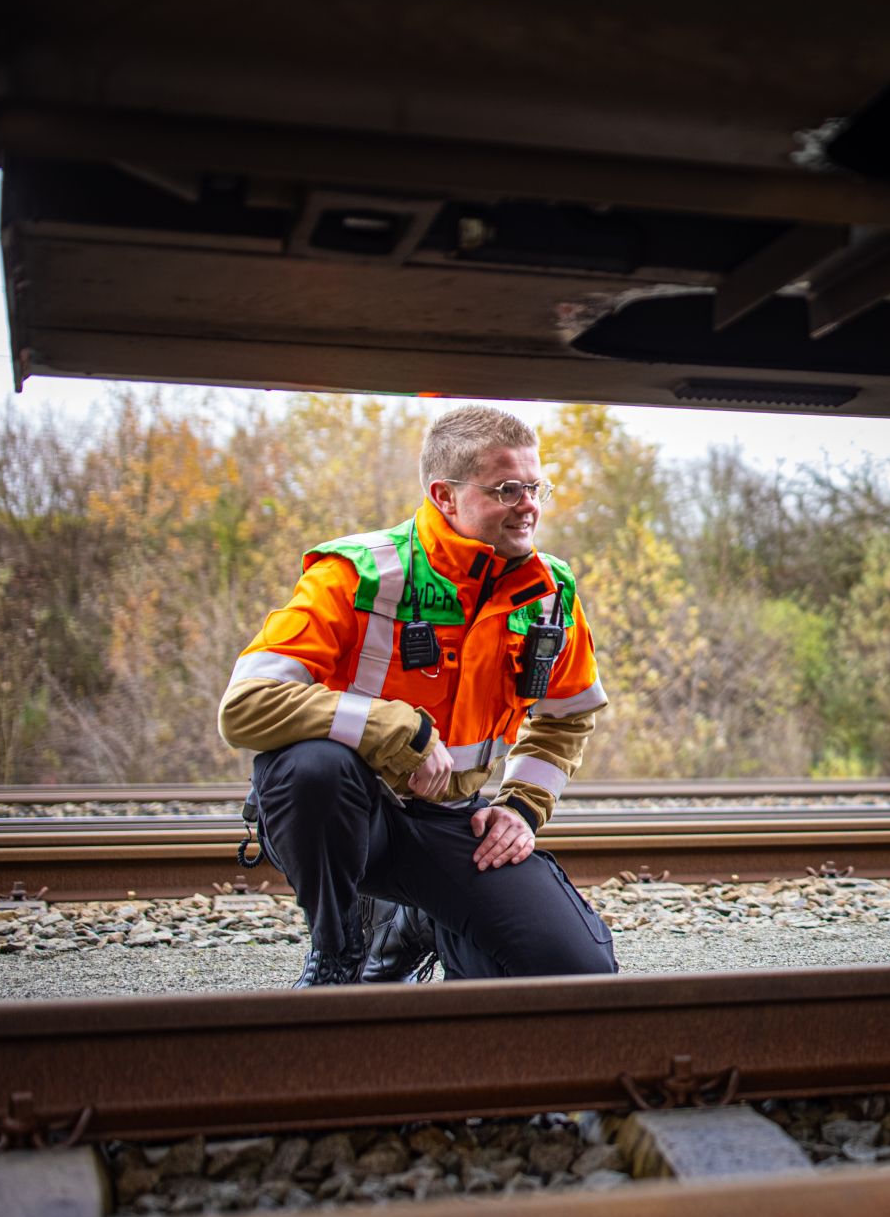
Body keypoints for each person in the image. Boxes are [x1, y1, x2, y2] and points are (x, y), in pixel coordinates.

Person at [219, 404, 618, 985]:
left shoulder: (549, 591)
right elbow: (244, 706)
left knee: (573, 972)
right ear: (445, 496)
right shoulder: (356, 574)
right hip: (356, 817)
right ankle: (338, 955)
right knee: (313, 768)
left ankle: (420, 925)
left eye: (535, 487)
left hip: (452, 821)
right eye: (507, 488)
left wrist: (522, 807)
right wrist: (385, 727)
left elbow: (568, 716)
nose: (528, 504)